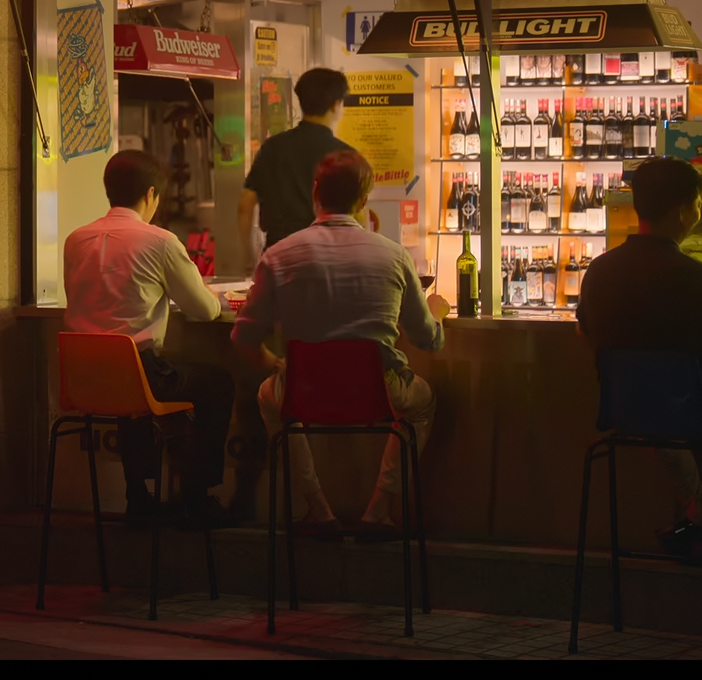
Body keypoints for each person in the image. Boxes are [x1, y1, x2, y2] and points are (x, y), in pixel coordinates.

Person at [232, 150, 449, 533]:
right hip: (380, 394)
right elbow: (428, 340)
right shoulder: (394, 256)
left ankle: (317, 506)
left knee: (270, 396)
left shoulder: (278, 256)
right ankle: (379, 508)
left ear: (315, 192)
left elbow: (244, 337)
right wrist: (437, 314)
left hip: (303, 392)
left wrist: (275, 365)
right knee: (421, 404)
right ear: (364, 201)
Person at [577, 156, 702, 554]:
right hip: (695, 411)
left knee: (675, 430)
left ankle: (699, 522)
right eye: (698, 205)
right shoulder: (700, 278)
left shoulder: (599, 271)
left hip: (624, 406)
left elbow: (587, 334)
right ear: (685, 212)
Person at [63, 149, 237, 528]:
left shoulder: (76, 240)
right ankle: (196, 497)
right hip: (136, 377)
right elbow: (205, 310)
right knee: (216, 383)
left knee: (133, 384)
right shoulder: (159, 241)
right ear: (151, 194)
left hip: (81, 378)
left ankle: (138, 495)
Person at [238, 67, 354, 272]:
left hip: (279, 258)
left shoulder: (273, 148)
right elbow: (357, 216)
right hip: (328, 260)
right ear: (336, 105)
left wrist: (249, 260)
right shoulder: (345, 155)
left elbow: (245, 205)